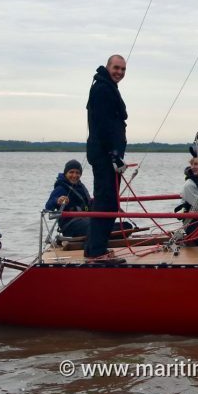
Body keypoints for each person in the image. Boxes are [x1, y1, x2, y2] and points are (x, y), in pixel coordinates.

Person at [84, 54, 129, 264]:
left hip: (107, 156)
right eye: (116, 68)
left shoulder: (107, 86)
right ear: (108, 67)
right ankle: (96, 252)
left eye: (123, 69)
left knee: (107, 202)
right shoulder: (102, 89)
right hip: (105, 157)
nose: (119, 72)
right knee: (106, 203)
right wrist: (114, 155)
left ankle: (93, 248)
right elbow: (102, 125)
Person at [44, 159, 92, 238]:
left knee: (105, 223)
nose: (74, 175)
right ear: (66, 173)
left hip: (85, 219)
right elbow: (48, 206)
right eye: (71, 172)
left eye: (77, 173)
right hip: (69, 225)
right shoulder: (61, 188)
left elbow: (88, 203)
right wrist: (57, 200)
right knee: (96, 225)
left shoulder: (81, 187)